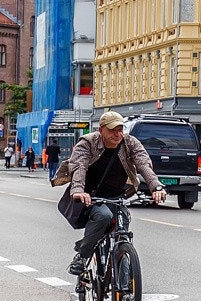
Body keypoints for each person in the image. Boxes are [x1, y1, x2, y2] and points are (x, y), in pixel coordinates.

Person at [62, 112, 166, 275]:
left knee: (122, 227)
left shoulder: (129, 142)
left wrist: (156, 187)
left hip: (117, 197)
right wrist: (78, 191)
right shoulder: (88, 143)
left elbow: (143, 164)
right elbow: (78, 167)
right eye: (112, 130)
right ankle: (82, 257)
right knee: (103, 217)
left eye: (120, 129)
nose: (118, 134)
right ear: (101, 129)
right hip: (90, 196)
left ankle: (123, 279)